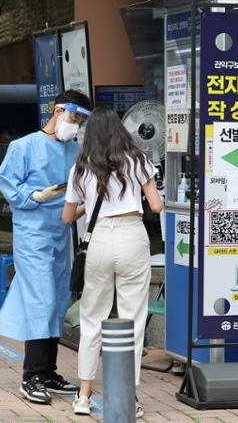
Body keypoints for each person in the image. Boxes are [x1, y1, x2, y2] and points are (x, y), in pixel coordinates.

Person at [62, 107, 163, 417]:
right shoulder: (140, 160)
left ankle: (83, 395)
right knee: (133, 320)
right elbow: (156, 206)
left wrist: (86, 207)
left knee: (93, 318)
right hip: (132, 237)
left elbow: (67, 216)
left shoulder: (80, 166)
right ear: (121, 130)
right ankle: (128, 397)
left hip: (100, 240)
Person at [0, 89, 93, 404]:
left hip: (60, 234)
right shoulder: (23, 146)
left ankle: (48, 372)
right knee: (41, 300)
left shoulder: (73, 151)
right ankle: (32, 376)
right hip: (33, 235)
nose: (75, 125)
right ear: (58, 110)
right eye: (73, 117)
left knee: (57, 302)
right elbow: (8, 183)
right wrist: (36, 196)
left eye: (79, 121)